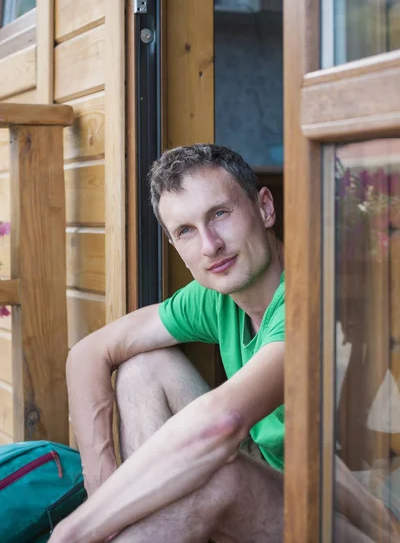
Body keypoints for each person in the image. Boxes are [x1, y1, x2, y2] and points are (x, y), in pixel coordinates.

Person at [50, 145, 398, 543]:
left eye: (219, 214)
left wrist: (75, 531)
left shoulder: (310, 294)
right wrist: (102, 503)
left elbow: (222, 424)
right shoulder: (214, 295)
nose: (209, 245)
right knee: (142, 369)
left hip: (372, 521)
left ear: (265, 209)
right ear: (176, 247)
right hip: (291, 491)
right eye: (186, 231)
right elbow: (87, 354)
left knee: (220, 479)